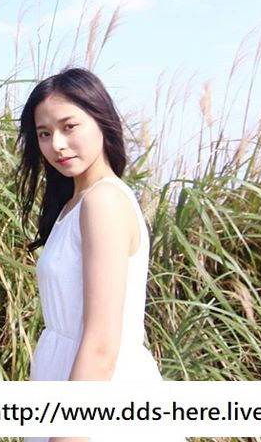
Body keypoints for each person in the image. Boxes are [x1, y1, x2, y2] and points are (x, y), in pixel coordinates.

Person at [15, 67, 183, 442]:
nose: (57, 144)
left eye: (69, 126)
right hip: (67, 376)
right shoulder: (74, 204)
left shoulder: (103, 201)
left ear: (101, 119)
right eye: (44, 133)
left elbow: (103, 343)